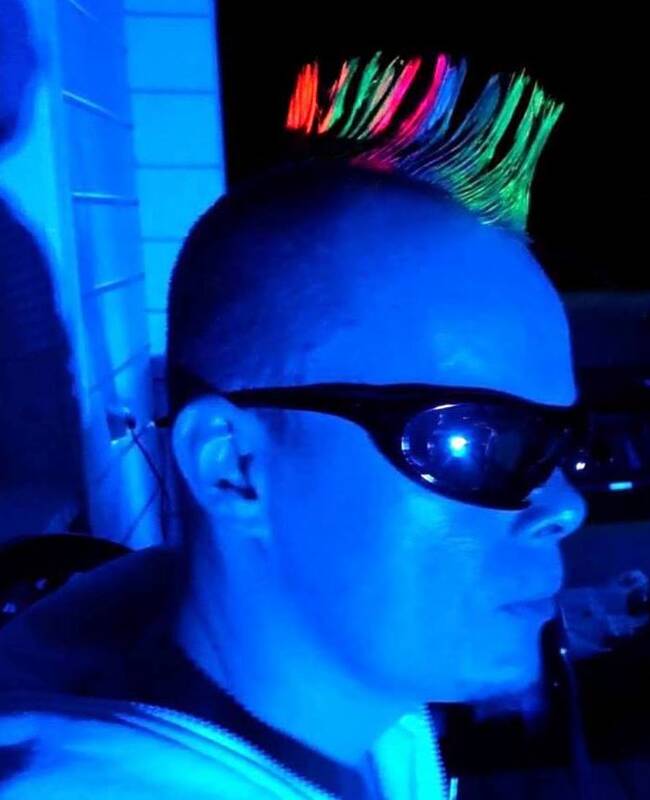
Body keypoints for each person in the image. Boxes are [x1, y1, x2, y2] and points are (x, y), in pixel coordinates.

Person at [0, 54, 586, 798]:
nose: (566, 505)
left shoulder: (369, 714)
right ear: (233, 468)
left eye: (562, 443)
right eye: (469, 440)